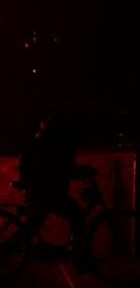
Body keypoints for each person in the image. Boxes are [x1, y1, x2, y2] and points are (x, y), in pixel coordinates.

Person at [17, 115, 95, 271]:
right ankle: (78, 259)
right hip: (47, 193)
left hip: (42, 191)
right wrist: (84, 171)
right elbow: (64, 169)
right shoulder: (58, 145)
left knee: (31, 228)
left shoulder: (43, 141)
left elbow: (62, 168)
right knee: (77, 215)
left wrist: (79, 171)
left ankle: (75, 256)